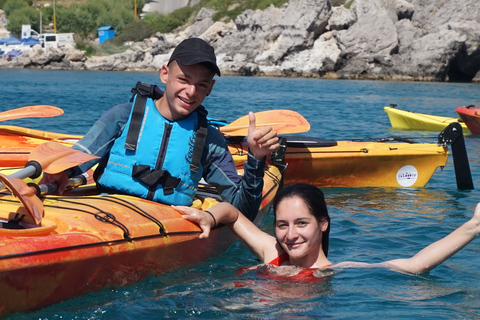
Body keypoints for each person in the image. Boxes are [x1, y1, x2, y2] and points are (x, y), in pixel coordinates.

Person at [41, 37, 279, 220]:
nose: (191, 92)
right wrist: (55, 174)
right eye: (184, 80)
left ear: (211, 88)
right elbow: (72, 164)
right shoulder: (123, 116)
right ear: (165, 74)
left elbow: (243, 210)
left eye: (201, 85)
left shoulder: (209, 140)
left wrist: (256, 159)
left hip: (166, 223)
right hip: (107, 213)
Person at [176, 183, 480, 274]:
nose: (290, 234)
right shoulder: (271, 251)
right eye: (282, 225)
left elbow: (416, 265)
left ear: (323, 224)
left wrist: (473, 226)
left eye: (301, 223)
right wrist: (209, 218)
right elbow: (230, 212)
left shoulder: (334, 272)